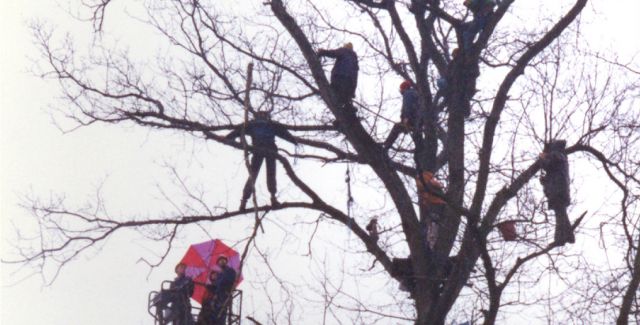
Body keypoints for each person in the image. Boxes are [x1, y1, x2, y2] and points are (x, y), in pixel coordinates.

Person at [225, 111, 298, 210]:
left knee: (257, 175)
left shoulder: (255, 124)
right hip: (265, 150)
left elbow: (283, 133)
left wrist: (228, 138)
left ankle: (247, 200)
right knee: (263, 174)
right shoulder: (263, 124)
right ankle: (255, 199)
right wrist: (293, 141)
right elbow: (284, 133)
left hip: (262, 150)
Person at [539, 140, 575, 245]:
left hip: (557, 190)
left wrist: (542, 158)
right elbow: (553, 172)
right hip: (560, 190)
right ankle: (568, 236)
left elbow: (548, 165)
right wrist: (545, 181)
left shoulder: (556, 155)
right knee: (560, 213)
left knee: (560, 214)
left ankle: (560, 239)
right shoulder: (561, 157)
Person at [317, 43, 359, 109]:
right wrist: (353, 91)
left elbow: (333, 53)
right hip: (350, 83)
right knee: (344, 101)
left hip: (339, 76)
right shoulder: (355, 59)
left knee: (334, 95)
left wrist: (322, 52)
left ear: (345, 47)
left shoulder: (344, 50)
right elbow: (356, 75)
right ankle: (347, 111)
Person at [384, 80, 421, 151]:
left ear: (404, 88)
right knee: (417, 136)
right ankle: (421, 150)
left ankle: (386, 146)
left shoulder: (408, 93)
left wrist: (406, 118)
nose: (400, 91)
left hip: (412, 119)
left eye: (401, 89)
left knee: (397, 127)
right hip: (419, 121)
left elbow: (408, 106)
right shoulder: (416, 93)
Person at [212, 256, 238, 325]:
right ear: (218, 264)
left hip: (225, 294)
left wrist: (221, 283)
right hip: (218, 297)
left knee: (222, 314)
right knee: (215, 315)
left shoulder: (230, 270)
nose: (222, 261)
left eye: (223, 260)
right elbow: (217, 286)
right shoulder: (219, 274)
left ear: (226, 262)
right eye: (220, 261)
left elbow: (230, 280)